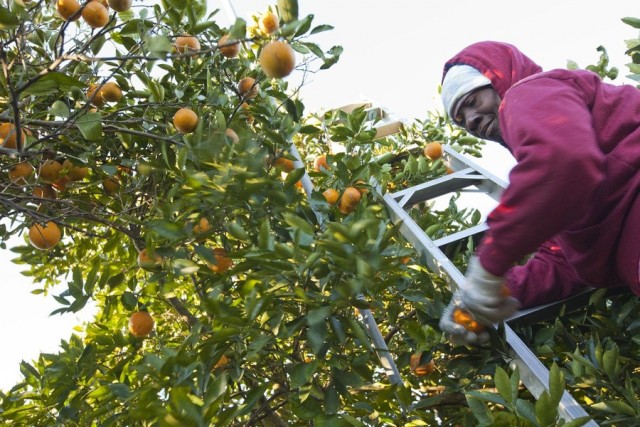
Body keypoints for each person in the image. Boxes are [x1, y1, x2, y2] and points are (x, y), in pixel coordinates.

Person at [437, 41, 640, 345]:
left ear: (497, 82)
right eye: (461, 120)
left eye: (471, 101)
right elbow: (561, 260)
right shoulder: (555, 192)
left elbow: (564, 161)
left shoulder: (528, 93)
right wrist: (485, 297)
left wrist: (489, 263)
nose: (471, 120)